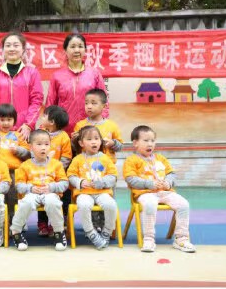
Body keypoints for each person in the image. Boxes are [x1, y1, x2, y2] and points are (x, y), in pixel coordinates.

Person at [123, 125, 196, 253]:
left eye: (152, 140)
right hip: (145, 193)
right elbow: (131, 179)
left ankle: (181, 239)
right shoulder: (131, 160)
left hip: (165, 192)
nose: (150, 144)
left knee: (183, 204)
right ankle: (148, 239)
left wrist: (168, 183)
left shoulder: (161, 158)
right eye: (146, 140)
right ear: (135, 143)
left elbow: (171, 174)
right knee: (150, 205)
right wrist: (149, 184)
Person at [10, 130, 69, 251]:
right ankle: (16, 232)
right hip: (32, 193)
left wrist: (51, 187)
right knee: (26, 203)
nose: (43, 147)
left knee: (53, 202)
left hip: (50, 193)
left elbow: (64, 183)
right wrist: (30, 188)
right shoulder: (25, 165)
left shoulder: (56, 164)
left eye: (46, 144)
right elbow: (19, 185)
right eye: (39, 144)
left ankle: (59, 232)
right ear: (31, 147)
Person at [0, 33, 43, 141]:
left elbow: (37, 101)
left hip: (23, 130)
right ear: (3, 49)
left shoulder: (32, 73)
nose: (11, 49)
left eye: (16, 45)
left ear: (23, 49)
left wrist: (28, 124)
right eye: (8, 45)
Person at [67, 125, 119, 249]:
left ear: (100, 141)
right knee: (84, 205)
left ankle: (107, 231)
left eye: (96, 138)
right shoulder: (78, 159)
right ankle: (91, 232)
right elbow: (70, 175)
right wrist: (80, 182)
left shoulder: (105, 158)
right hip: (84, 193)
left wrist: (103, 182)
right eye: (89, 139)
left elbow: (113, 176)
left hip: (102, 192)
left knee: (111, 205)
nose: (94, 142)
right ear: (81, 143)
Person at [45, 33, 109, 131]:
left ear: (85, 50)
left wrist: (102, 125)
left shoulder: (94, 74)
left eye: (80, 46)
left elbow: (104, 101)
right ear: (65, 51)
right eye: (72, 47)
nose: (77, 50)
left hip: (90, 130)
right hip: (64, 130)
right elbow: (50, 104)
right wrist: (48, 127)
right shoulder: (57, 76)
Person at [35, 105, 72, 237]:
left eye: (44, 115)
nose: (42, 117)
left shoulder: (64, 137)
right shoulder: (40, 133)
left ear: (52, 122)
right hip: (41, 174)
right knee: (41, 195)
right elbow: (33, 150)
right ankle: (42, 223)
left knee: (62, 197)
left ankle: (58, 223)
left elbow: (66, 157)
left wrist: (56, 170)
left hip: (58, 175)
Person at [72, 88, 123, 163]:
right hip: (85, 165)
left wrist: (112, 143)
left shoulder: (112, 125)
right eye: (86, 103)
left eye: (93, 103)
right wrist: (74, 141)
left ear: (104, 106)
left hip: (107, 165)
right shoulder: (80, 125)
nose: (89, 106)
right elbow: (75, 148)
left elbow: (120, 147)